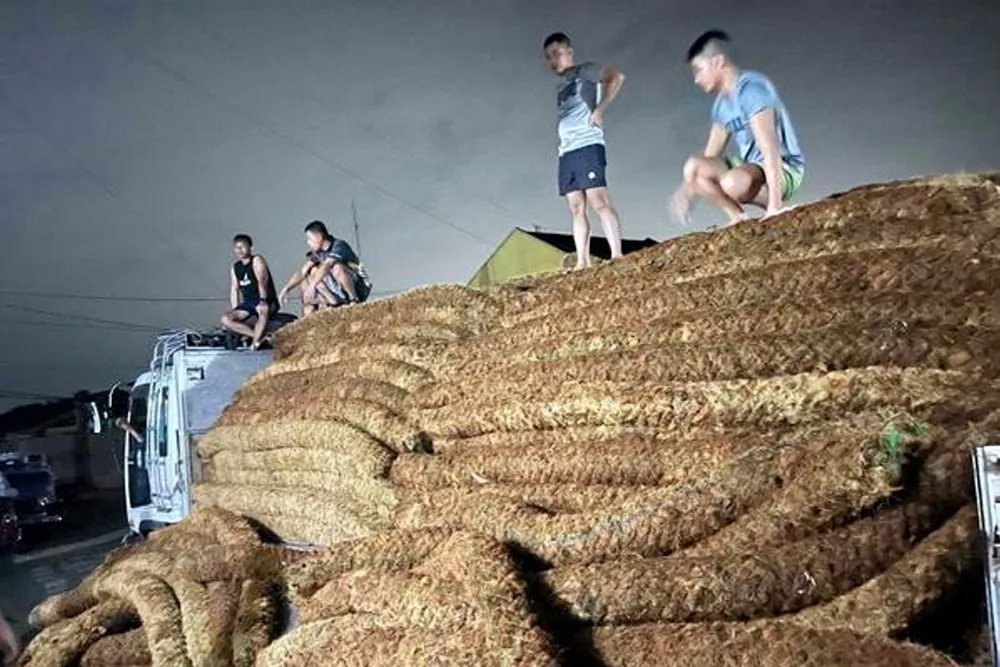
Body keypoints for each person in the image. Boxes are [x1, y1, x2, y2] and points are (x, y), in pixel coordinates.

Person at [670, 30, 805, 226]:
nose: (696, 79)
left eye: (699, 70)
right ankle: (737, 216)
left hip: (784, 167)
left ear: (717, 62)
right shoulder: (721, 105)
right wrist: (685, 193)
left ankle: (775, 204)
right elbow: (710, 154)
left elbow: (770, 148)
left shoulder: (752, 90)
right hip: (751, 167)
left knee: (732, 183)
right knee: (693, 168)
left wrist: (774, 207)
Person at [542, 32, 626, 270]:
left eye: (557, 53)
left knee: (598, 200)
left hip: (587, 145)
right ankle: (582, 261)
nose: (553, 60)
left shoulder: (584, 71)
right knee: (576, 207)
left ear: (569, 52)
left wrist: (600, 109)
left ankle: (617, 254)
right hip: (567, 151)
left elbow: (616, 76)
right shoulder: (561, 86)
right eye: (549, 57)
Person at [278, 220, 372, 317]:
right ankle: (334, 303)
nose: (308, 243)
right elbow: (302, 271)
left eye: (309, 239)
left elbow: (328, 264)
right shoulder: (317, 252)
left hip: (359, 287)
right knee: (313, 271)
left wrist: (312, 286)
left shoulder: (339, 245)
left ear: (319, 237)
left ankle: (354, 300)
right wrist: (286, 289)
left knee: (336, 267)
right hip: (339, 290)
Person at [220, 234, 280, 350]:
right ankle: (260, 338)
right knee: (225, 319)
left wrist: (263, 301)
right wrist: (235, 309)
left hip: (265, 298)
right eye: (237, 247)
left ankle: (254, 344)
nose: (239, 250)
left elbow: (262, 281)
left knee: (262, 311)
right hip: (249, 303)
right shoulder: (235, 267)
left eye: (242, 247)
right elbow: (234, 289)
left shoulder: (257, 260)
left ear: (251, 248)